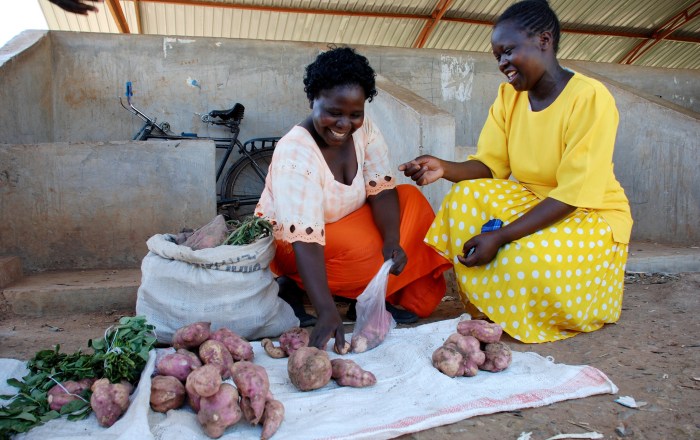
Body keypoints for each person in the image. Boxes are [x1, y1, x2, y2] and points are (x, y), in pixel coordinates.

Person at [399, 0, 633, 343]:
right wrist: (444, 167)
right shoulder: (509, 97)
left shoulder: (590, 98)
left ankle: (558, 306)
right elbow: (491, 166)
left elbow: (571, 195)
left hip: (588, 213)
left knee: (525, 257)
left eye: (508, 51)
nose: (503, 64)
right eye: (497, 57)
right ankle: (492, 307)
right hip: (533, 199)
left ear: (544, 40)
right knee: (464, 196)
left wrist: (502, 235)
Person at [255, 46, 452, 352]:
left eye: (354, 114)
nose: (344, 124)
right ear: (312, 100)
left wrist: (391, 239)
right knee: (365, 252)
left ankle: (392, 296)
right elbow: (304, 239)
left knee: (411, 200)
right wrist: (325, 312)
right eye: (333, 112)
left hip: (341, 227)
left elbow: (382, 188)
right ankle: (294, 284)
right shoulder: (295, 153)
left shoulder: (364, 129)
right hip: (292, 246)